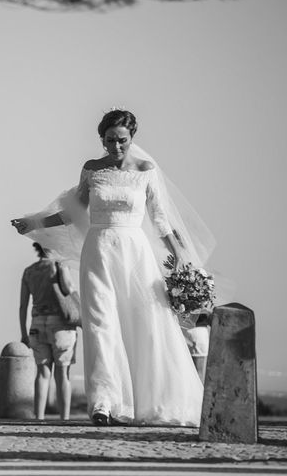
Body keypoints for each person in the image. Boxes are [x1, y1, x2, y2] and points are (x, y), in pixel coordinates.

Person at [11, 109, 211, 427]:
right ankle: (105, 403)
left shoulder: (146, 170)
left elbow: (160, 221)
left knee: (145, 323)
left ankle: (151, 400)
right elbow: (71, 212)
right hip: (99, 250)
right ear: (101, 140)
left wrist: (185, 263)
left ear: (132, 139)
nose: (116, 147)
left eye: (122, 140)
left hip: (135, 254)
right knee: (100, 325)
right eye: (109, 141)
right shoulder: (92, 170)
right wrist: (34, 222)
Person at [19, 242, 80, 420]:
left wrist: (23, 333)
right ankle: (64, 418)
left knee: (43, 373)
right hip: (61, 325)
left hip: (37, 324)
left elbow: (23, 306)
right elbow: (68, 288)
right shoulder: (59, 266)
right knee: (62, 374)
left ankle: (39, 417)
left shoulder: (29, 271)